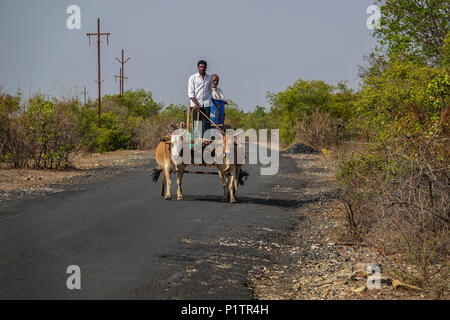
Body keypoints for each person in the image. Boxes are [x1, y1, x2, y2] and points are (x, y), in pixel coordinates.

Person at [188, 60, 217, 138]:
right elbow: (191, 94)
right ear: (198, 68)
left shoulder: (209, 78)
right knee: (197, 125)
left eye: (204, 67)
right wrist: (196, 104)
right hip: (195, 105)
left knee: (206, 124)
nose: (202, 68)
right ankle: (197, 142)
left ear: (206, 67)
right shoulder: (192, 78)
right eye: (201, 67)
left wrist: (214, 103)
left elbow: (210, 92)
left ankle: (205, 142)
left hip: (206, 104)